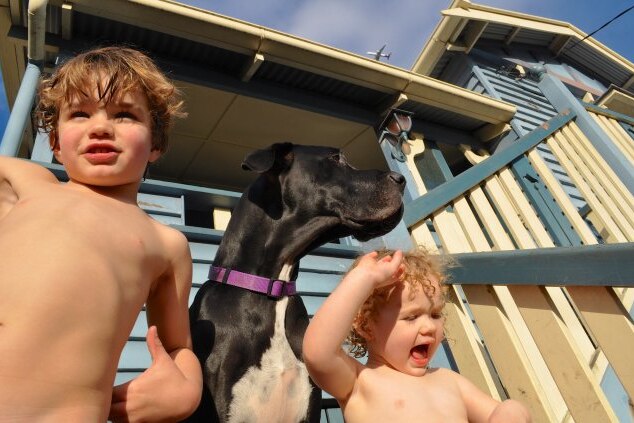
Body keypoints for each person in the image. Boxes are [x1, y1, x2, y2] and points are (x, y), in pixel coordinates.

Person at [0, 46, 202, 422]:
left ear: (155, 143)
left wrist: (185, 388)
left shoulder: (167, 243)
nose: (100, 127)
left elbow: (178, 346)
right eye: (79, 113)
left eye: (125, 114)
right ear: (56, 144)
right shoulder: (27, 183)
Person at [303, 248, 532, 422]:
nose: (429, 327)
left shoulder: (449, 380)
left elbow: (497, 413)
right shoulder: (358, 382)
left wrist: (513, 411)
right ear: (366, 326)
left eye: (434, 314)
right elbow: (317, 352)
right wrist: (365, 278)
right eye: (411, 317)